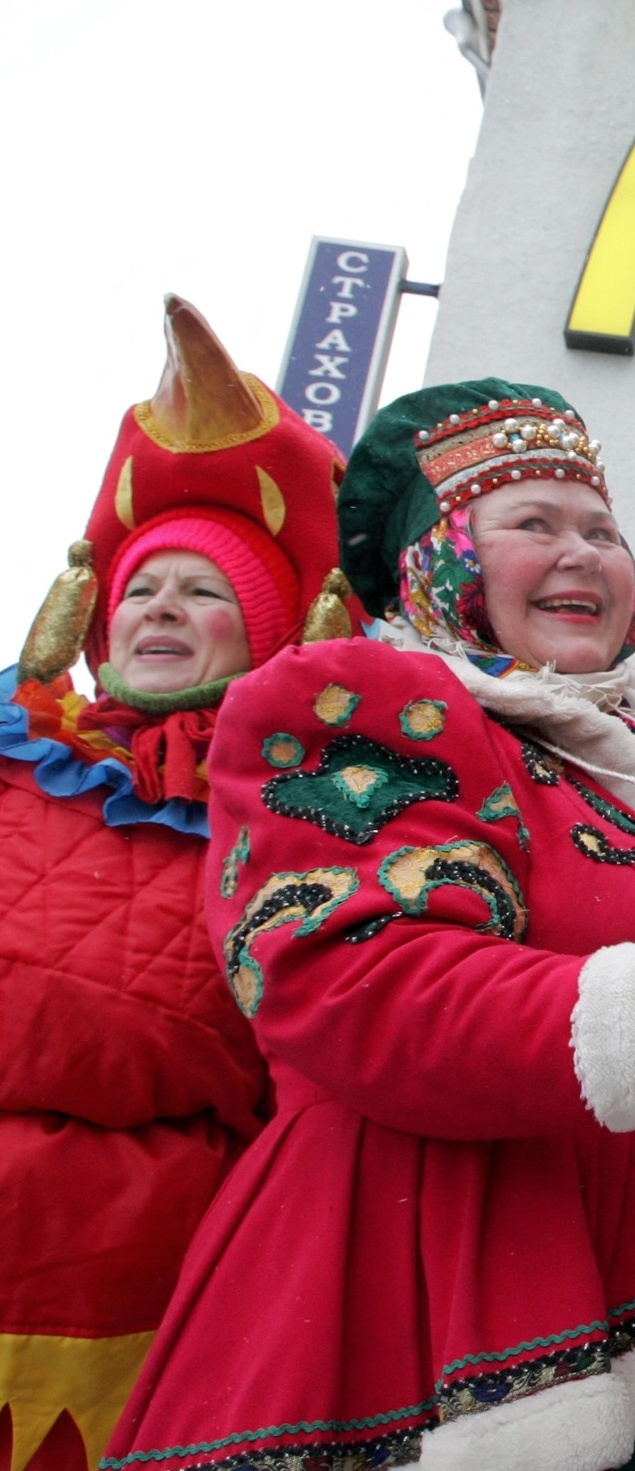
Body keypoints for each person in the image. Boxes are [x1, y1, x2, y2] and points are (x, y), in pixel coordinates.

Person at [104, 380, 635, 1471]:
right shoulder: (359, 694)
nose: (581, 553)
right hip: (467, 1290)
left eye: (603, 530)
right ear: (439, 558)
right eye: (532, 524)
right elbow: (358, 980)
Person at [0, 297, 349, 1471]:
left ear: (268, 635)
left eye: (205, 594)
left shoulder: (306, 806)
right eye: (145, 588)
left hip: (149, 1264)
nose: (162, 608)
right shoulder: (13, 742)